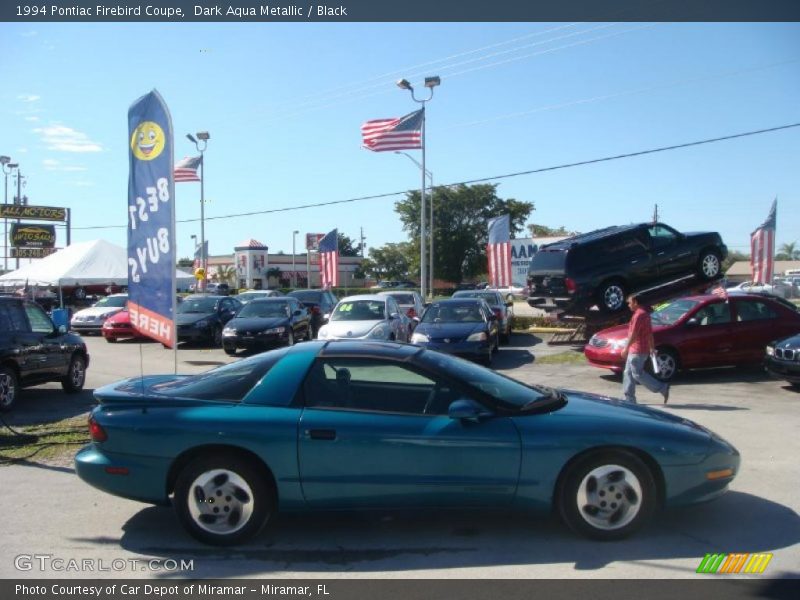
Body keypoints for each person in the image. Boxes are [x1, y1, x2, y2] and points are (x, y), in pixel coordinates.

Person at [621, 293, 670, 404]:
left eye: (629, 303)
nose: (628, 305)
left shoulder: (639, 315)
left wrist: (626, 348)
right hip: (638, 349)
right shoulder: (645, 314)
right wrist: (651, 348)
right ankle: (629, 399)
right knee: (628, 373)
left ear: (635, 302)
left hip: (637, 350)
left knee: (637, 374)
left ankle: (662, 387)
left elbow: (634, 334)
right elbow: (649, 333)